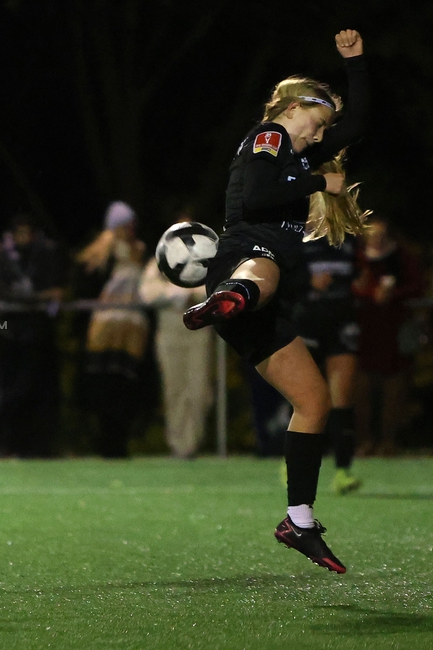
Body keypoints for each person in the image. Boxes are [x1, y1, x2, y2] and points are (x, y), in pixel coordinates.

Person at [181, 31, 368, 573]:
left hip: (263, 303)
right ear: (293, 107)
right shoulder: (270, 138)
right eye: (319, 118)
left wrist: (355, 66)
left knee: (314, 402)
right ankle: (231, 295)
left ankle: (299, 520)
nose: (324, 130)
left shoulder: (298, 152)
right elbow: (261, 197)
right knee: (260, 265)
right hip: (243, 260)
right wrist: (320, 183)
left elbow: (359, 125)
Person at [0, 213, 65, 457]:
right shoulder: (0, 254)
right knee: (11, 392)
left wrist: (46, 297)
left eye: (28, 232)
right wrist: (40, 297)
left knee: (38, 393)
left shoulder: (46, 252)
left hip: (38, 334)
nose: (25, 237)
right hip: (9, 333)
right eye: (19, 232)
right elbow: (2, 291)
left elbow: (59, 288)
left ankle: (36, 447)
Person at [75, 201, 149, 458]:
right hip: (105, 327)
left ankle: (120, 441)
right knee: (103, 383)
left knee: (125, 384)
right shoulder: (101, 253)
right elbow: (85, 286)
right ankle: (103, 442)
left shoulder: (141, 251)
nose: (130, 229)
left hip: (132, 328)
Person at [291, 235, 362, 492]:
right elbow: (281, 277)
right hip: (308, 321)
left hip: (342, 321)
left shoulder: (351, 239)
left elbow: (365, 270)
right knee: (304, 397)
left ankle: (343, 471)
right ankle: (293, 464)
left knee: (342, 398)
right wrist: (305, 282)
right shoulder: (295, 235)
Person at [138, 214, 213, 459]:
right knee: (174, 390)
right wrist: (181, 295)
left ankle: (193, 442)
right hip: (170, 329)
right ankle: (180, 446)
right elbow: (147, 293)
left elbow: (218, 286)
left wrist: (195, 295)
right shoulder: (161, 259)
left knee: (199, 390)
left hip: (198, 328)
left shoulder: (208, 255)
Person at [352, 215, 424, 456]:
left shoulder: (402, 257)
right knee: (360, 390)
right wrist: (366, 293)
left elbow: (417, 286)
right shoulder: (358, 258)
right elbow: (349, 287)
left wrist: (394, 294)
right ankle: (364, 441)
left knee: (394, 392)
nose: (377, 240)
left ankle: (388, 441)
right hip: (363, 333)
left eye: (381, 236)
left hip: (394, 332)